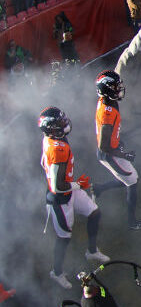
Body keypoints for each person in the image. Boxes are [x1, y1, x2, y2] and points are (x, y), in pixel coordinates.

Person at [38, 106, 109, 289]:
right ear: (52, 128)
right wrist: (78, 185)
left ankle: (91, 251)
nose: (64, 123)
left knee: (94, 213)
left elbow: (45, 166)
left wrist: (73, 185)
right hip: (60, 198)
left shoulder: (51, 139)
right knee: (64, 239)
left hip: (68, 190)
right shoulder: (57, 149)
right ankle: (57, 272)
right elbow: (57, 186)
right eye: (60, 122)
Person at [92, 71, 141, 230]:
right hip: (109, 154)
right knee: (132, 182)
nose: (119, 89)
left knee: (131, 179)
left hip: (112, 149)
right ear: (106, 90)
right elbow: (104, 146)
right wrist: (124, 154)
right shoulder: (107, 112)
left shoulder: (106, 101)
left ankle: (98, 188)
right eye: (115, 87)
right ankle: (131, 222)